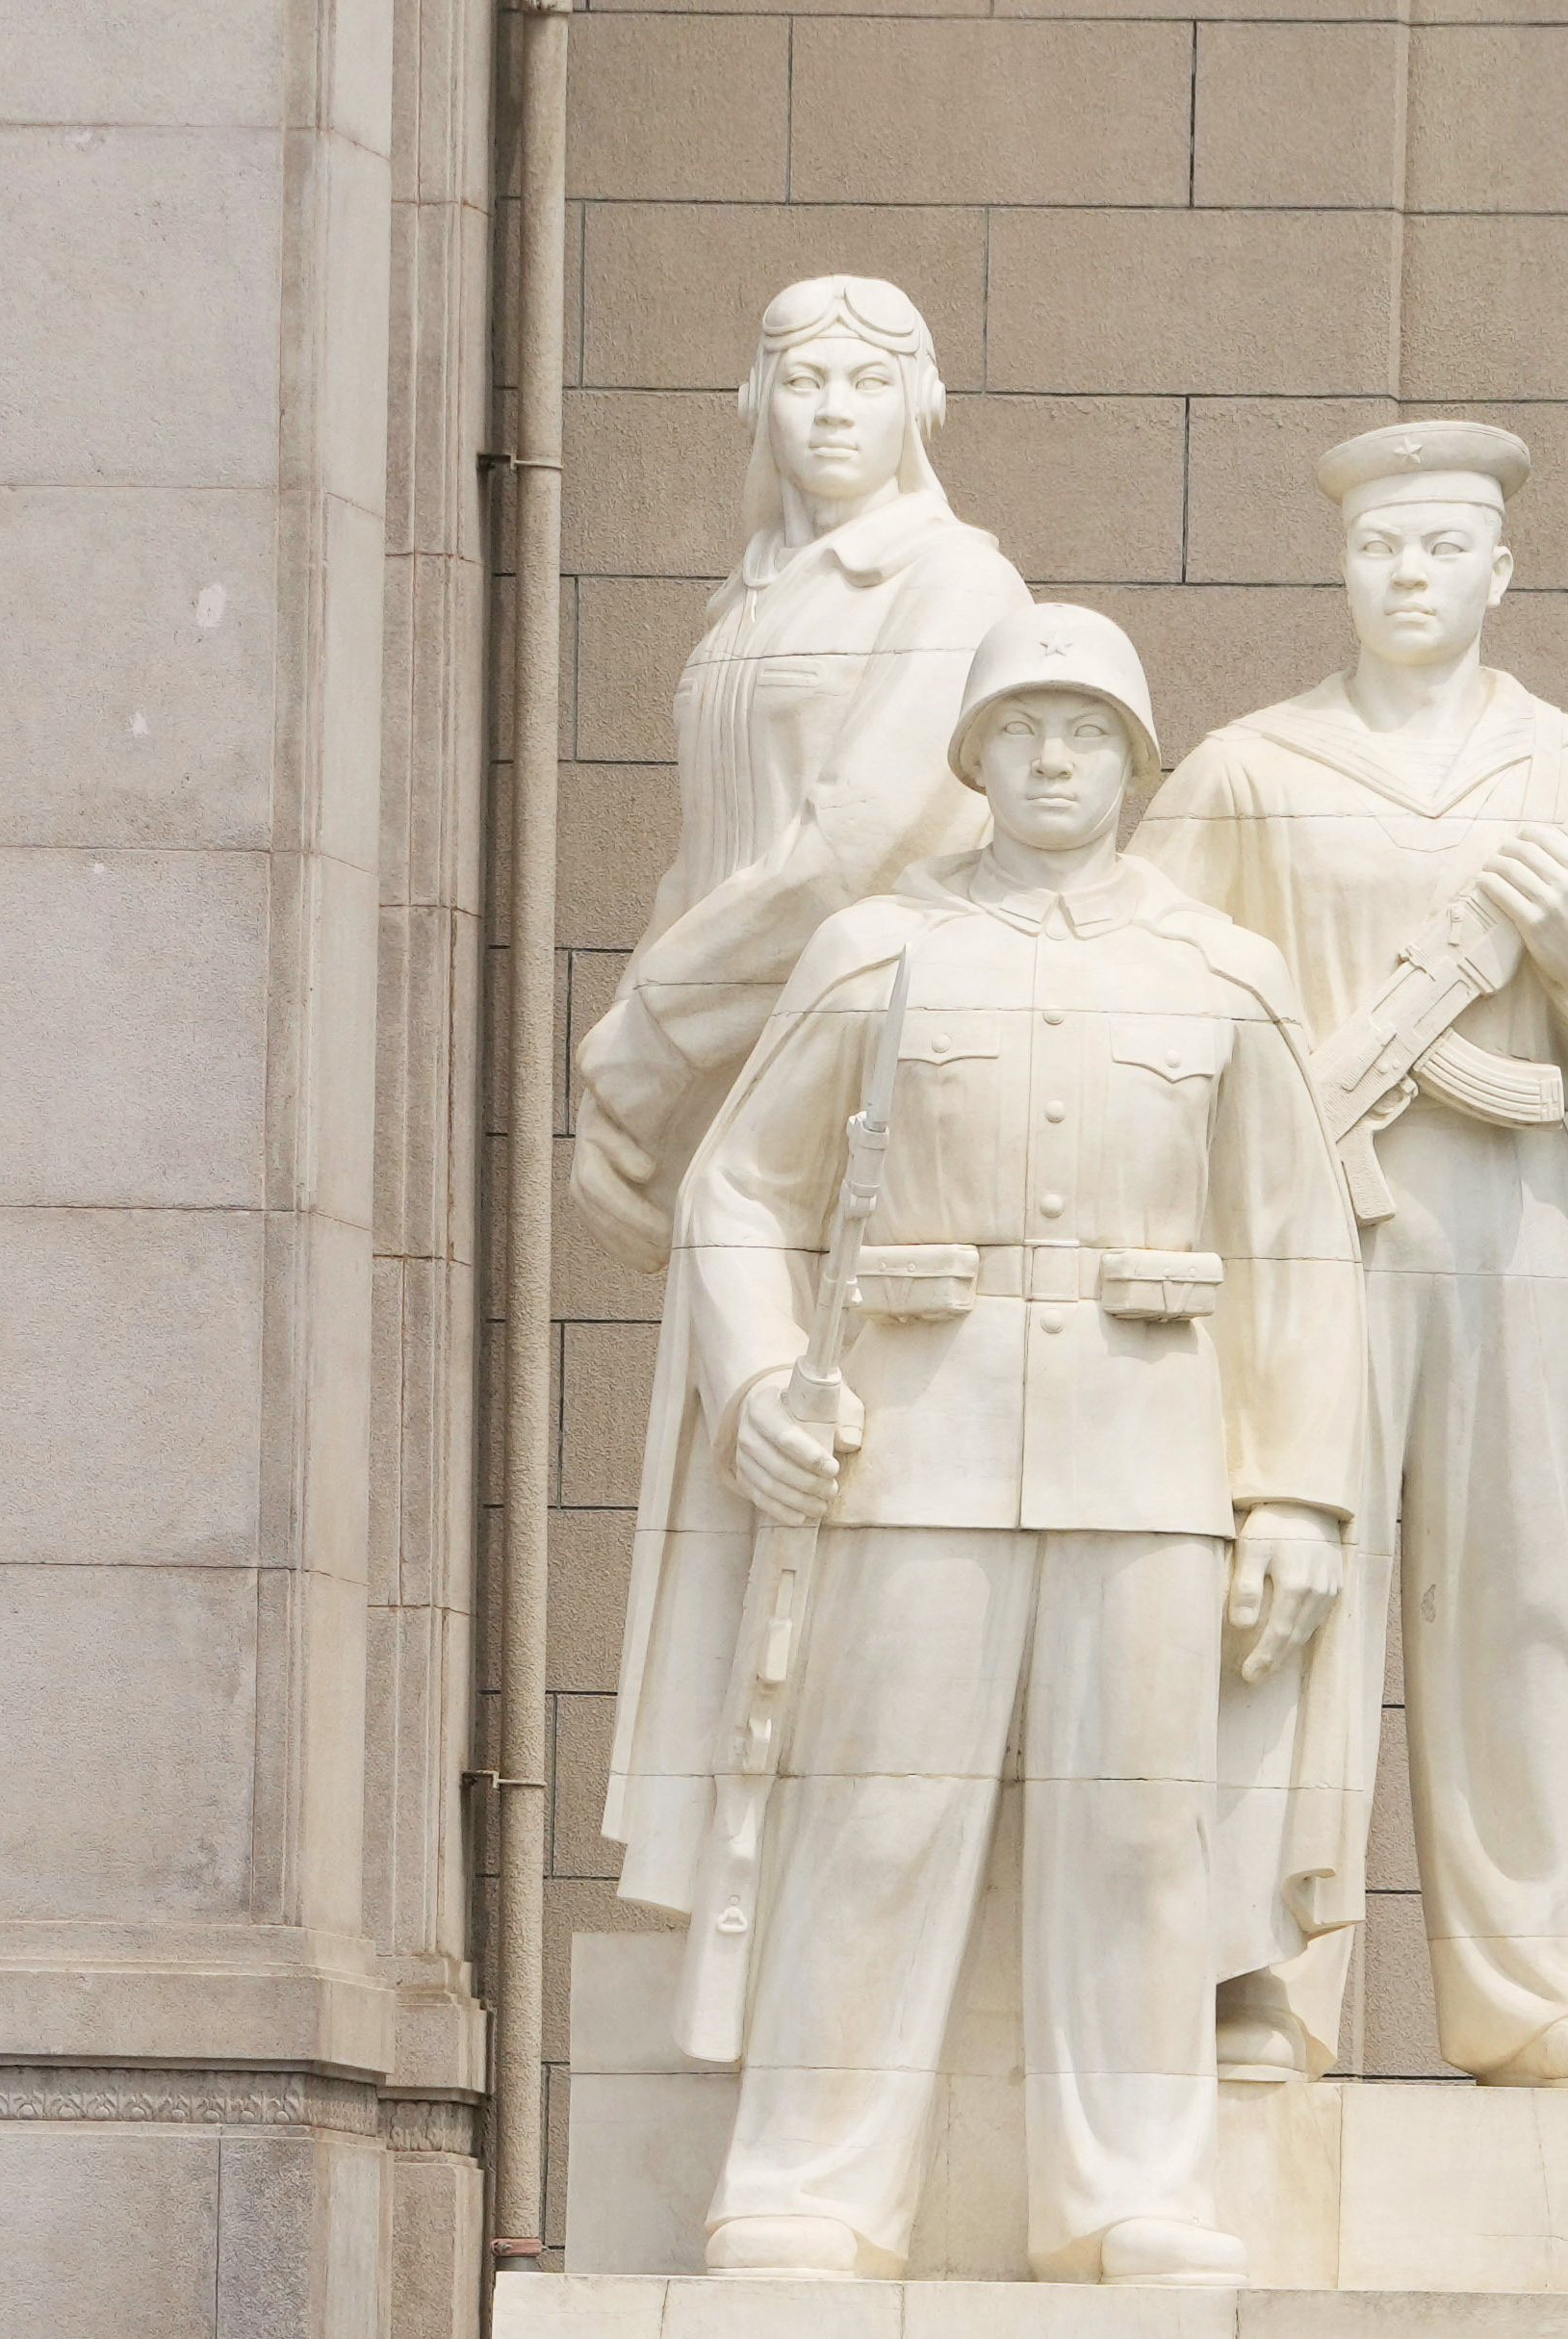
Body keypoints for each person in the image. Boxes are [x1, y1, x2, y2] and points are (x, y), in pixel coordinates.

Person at [663, 610, 1369, 2282]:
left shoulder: (1220, 973)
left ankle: (1129, 2188)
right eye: (1023, 730)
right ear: (972, 756)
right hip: (912, 1445)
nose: (1054, 760)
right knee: (875, 1819)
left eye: (1088, 733)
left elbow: (1296, 1248)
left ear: (1135, 760)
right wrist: (760, 1382)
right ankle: (814, 2185)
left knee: (1137, 1836)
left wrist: (1295, 1493)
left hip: (1150, 1459)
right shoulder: (876, 950)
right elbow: (735, 1191)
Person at [1131, 420, 1568, 2093]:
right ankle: (1257, 1982)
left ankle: (1536, 1987)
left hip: (1506, 1227)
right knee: (1279, 1603)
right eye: (1378, 549)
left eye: (1438, 549)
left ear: (1498, 574)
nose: (1405, 577)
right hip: (1304, 1236)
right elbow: (1149, 994)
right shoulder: (1246, 769)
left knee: (1514, 1599)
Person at [578, 279, 1036, 1962]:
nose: (829, 409)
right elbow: (710, 866)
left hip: (879, 1087)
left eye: (865, 378)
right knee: (743, 1481)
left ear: (920, 403)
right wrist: (629, 1089)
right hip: (746, 1098)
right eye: (795, 381)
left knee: (846, 1481)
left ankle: (852, 1903)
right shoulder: (752, 600)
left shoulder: (948, 581)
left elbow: (848, 845)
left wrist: (634, 1043)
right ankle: (749, 1899)